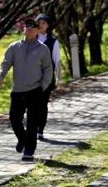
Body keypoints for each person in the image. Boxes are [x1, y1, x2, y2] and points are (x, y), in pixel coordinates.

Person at [0, 17, 53, 162]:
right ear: (24, 29)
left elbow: (48, 69)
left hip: (35, 90)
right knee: (14, 119)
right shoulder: (14, 47)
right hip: (18, 90)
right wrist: (1, 76)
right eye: (27, 26)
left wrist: (43, 86)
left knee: (32, 122)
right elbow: (6, 63)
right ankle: (23, 139)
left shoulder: (42, 49)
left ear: (37, 31)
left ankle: (29, 150)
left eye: (33, 27)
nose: (30, 29)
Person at [35, 13, 62, 141]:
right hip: (32, 77)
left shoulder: (53, 41)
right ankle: (33, 128)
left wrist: (59, 78)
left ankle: (40, 129)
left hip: (47, 77)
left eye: (44, 23)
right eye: (39, 22)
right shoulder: (31, 38)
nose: (41, 25)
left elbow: (57, 60)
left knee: (42, 104)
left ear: (48, 25)